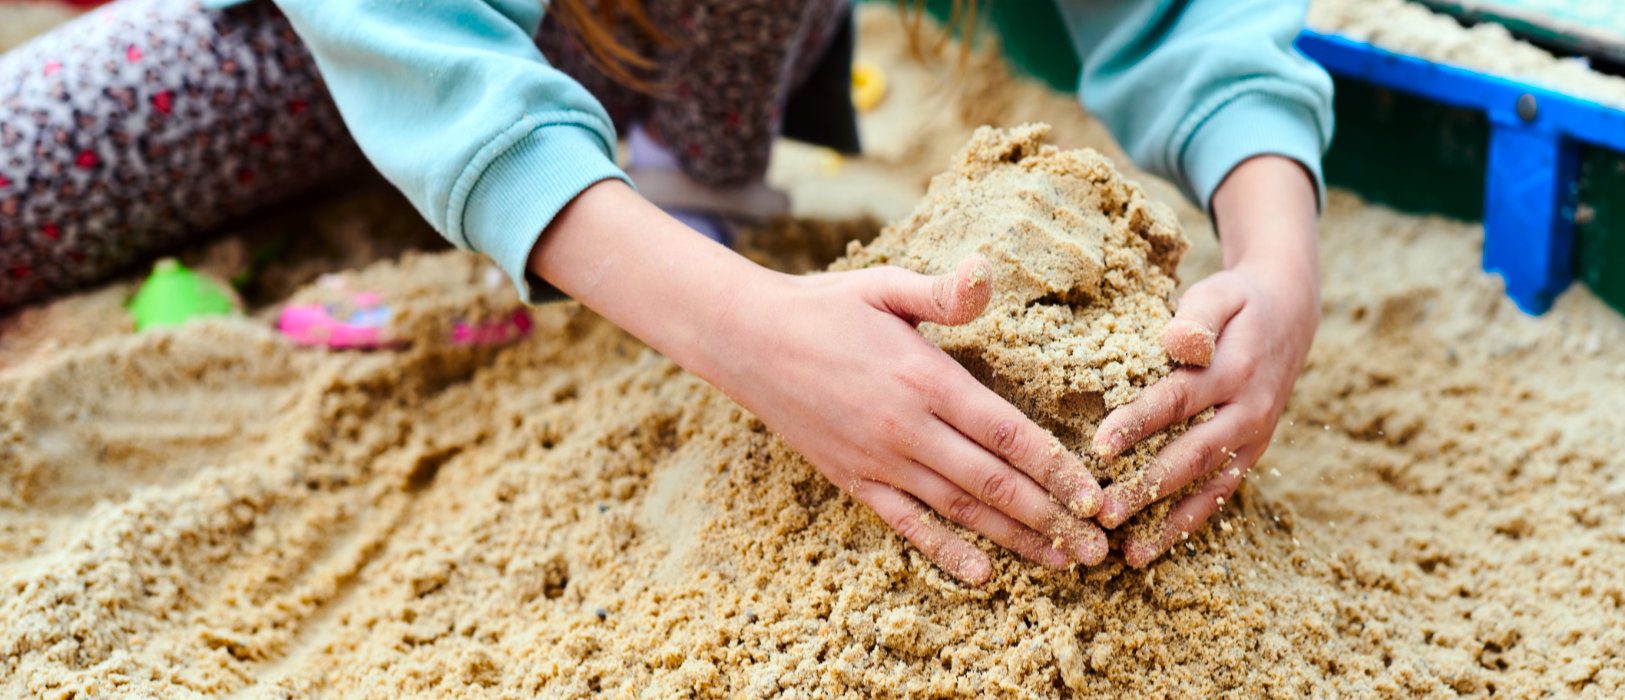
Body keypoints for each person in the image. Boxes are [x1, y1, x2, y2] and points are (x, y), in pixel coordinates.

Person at [0, 0, 1330, 583]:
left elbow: (1187, 11)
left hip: (673, 58)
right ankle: (609, 220)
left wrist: (1277, 258)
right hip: (338, 40)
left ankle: (663, 196)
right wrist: (744, 330)